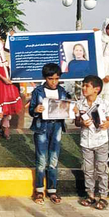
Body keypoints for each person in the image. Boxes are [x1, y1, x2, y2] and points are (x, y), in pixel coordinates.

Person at [28, 64, 69, 205]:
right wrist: (36, 110)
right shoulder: (38, 91)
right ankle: (39, 190)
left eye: (57, 79)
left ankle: (52, 190)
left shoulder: (62, 91)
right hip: (42, 127)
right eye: (51, 79)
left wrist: (71, 109)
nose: (54, 82)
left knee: (54, 159)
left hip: (57, 126)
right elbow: (32, 109)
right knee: (41, 160)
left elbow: (67, 106)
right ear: (45, 78)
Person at [75, 75, 109, 210]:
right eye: (83, 85)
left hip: (101, 141)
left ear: (96, 89)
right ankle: (90, 194)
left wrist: (106, 124)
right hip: (86, 141)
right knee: (87, 169)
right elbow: (77, 121)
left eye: (87, 86)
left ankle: (103, 196)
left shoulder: (104, 103)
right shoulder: (80, 103)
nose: (84, 88)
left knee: (102, 168)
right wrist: (82, 123)